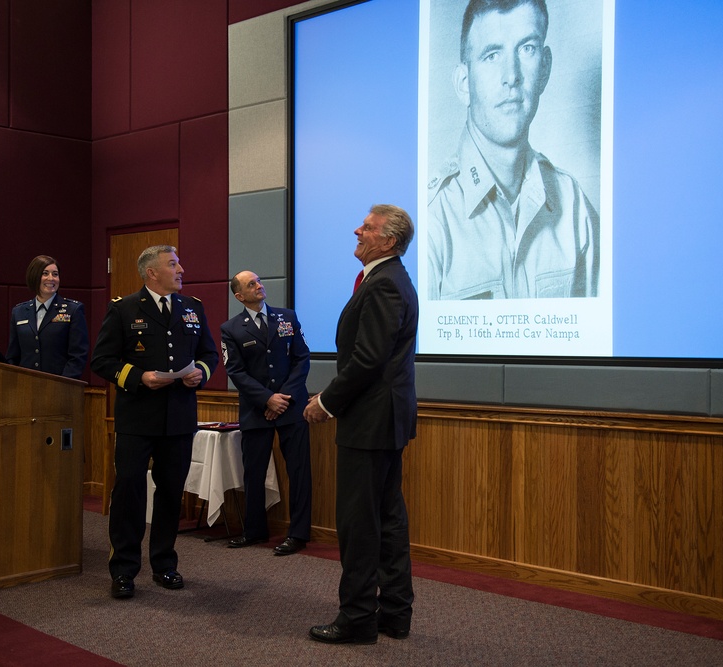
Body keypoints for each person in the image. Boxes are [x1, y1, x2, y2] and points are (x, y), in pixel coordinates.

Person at [426, 0, 599, 300]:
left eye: (527, 48)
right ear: (464, 83)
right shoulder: (431, 219)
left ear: (544, 68)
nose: (512, 75)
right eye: (492, 55)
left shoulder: (574, 207)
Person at [304, 204, 417, 645]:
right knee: (387, 519)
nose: (358, 229)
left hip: (371, 421)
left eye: (367, 227)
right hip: (383, 419)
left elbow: (368, 360)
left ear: (388, 241)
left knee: (359, 524)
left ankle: (356, 619)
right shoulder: (388, 280)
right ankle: (394, 614)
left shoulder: (385, 285)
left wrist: (326, 403)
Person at [90, 245, 218, 600]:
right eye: (173, 264)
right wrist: (139, 377)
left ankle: (164, 564)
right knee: (129, 490)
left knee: (170, 493)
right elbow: (101, 361)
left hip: (178, 418)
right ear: (151, 273)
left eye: (178, 262)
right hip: (137, 417)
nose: (181, 269)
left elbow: (209, 353)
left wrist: (200, 373)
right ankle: (123, 570)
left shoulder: (192, 308)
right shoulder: (124, 309)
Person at [220, 271, 312, 555]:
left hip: (291, 406)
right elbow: (235, 371)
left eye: (259, 281)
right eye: (251, 284)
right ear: (240, 296)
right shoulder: (231, 328)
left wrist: (282, 398)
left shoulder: (287, 318)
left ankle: (297, 534)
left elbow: (302, 358)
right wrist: (267, 400)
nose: (259, 286)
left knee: (299, 472)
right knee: (253, 473)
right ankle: (255, 530)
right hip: (257, 410)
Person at [6, 255, 88, 378]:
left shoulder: (73, 310)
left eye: (55, 274)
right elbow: (13, 356)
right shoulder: (19, 312)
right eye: (45, 273)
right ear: (34, 276)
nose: (51, 278)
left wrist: (63, 384)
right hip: (25, 387)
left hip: (60, 387)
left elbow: (78, 356)